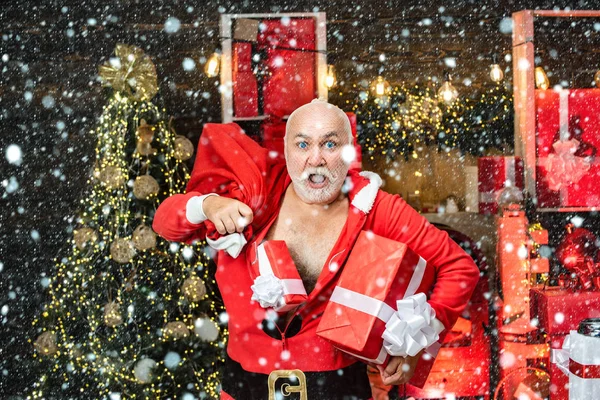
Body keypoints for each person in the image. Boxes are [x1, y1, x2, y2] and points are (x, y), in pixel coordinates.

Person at [153, 100, 480, 399]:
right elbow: (165, 223)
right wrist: (207, 205)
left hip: (340, 389)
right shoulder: (253, 194)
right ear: (286, 150)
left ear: (350, 151)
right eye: (303, 144)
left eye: (330, 144)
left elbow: (460, 268)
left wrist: (416, 349)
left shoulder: (376, 209)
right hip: (243, 389)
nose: (316, 158)